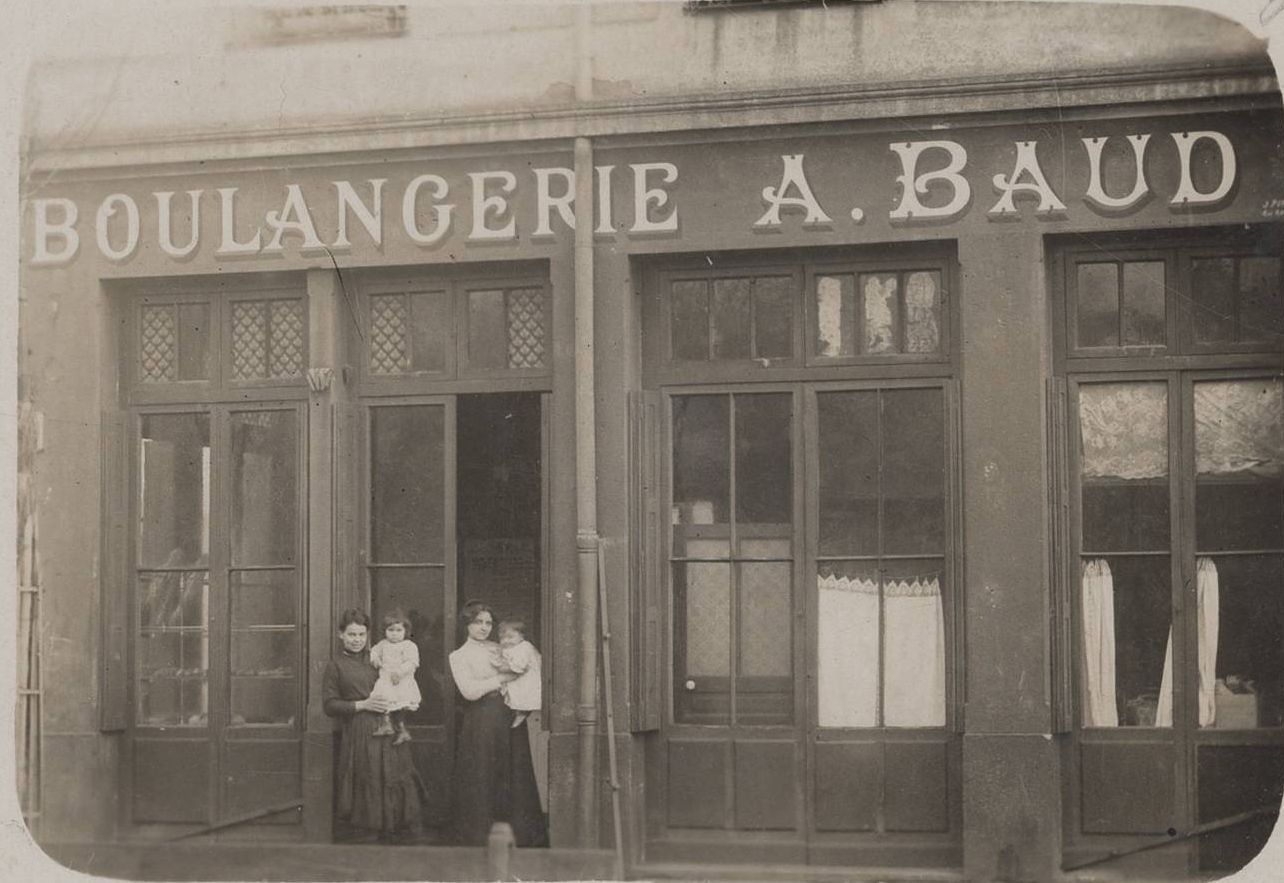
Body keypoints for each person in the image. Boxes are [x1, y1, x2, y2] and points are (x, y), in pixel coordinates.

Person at [448, 600, 548, 847]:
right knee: (482, 775)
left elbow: (528, 665)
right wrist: (502, 677)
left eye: (488, 623)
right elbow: (469, 691)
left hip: (509, 714)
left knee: (516, 774)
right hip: (481, 719)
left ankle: (523, 839)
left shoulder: (502, 646)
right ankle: (479, 840)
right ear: (467, 624)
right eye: (478, 622)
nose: (484, 627)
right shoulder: (459, 655)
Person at [323, 608, 424, 842]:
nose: (357, 640)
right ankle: (368, 838)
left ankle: (395, 835)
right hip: (361, 731)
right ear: (341, 635)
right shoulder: (336, 665)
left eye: (361, 635)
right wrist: (363, 704)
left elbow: (404, 677)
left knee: (395, 776)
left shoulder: (378, 658)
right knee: (368, 779)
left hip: (391, 728)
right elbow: (329, 705)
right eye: (351, 635)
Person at [369, 609, 421, 744]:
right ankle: (386, 725)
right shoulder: (383, 644)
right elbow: (373, 651)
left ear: (405, 631)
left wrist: (400, 672)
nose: (394, 634)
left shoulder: (409, 645)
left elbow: (412, 662)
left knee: (400, 706)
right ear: (385, 631)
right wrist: (375, 659)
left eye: (399, 630)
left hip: (401, 681)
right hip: (386, 680)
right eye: (391, 630)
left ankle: (403, 730)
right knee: (384, 701)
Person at [496, 619, 541, 728]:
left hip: (527, 681)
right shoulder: (509, 648)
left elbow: (518, 667)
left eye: (510, 637)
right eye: (502, 638)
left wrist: (498, 667)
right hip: (516, 681)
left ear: (521, 636)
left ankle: (522, 713)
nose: (506, 641)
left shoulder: (525, 647)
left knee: (523, 700)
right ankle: (519, 713)